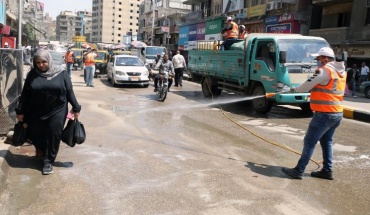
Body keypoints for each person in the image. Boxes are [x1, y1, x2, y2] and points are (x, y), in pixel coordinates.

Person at [281, 47, 346, 180]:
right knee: (326, 141)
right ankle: (327, 171)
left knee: (309, 141)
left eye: (319, 59)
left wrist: (294, 89)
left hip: (324, 114)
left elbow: (307, 85)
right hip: (337, 113)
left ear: (326, 59)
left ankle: (298, 171)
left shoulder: (324, 70)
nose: (317, 61)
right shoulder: (341, 71)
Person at [15, 50, 81, 175]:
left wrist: (76, 108)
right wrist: (20, 111)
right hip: (35, 111)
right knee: (35, 132)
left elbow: (69, 92)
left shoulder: (62, 73)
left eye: (44, 62)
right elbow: (25, 94)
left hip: (57, 110)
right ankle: (41, 149)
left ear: (49, 61)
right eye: (38, 62)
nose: (41, 65)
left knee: (54, 133)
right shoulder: (32, 74)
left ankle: (48, 161)